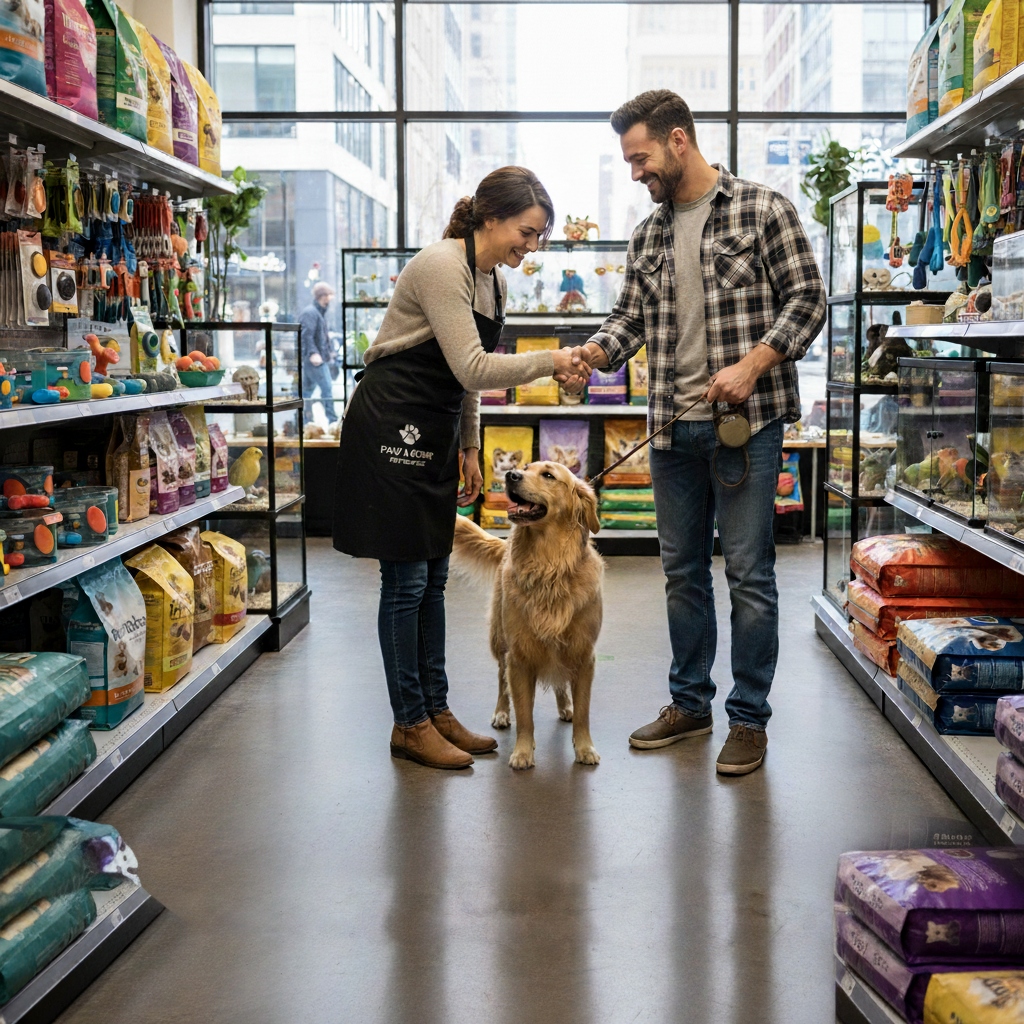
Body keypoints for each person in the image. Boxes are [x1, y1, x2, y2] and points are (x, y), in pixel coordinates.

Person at [575, 91, 826, 776]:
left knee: (749, 575)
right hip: (669, 432)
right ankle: (690, 703)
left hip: (747, 426)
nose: (635, 173)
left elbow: (810, 299)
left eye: (640, 157)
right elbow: (628, 320)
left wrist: (752, 363)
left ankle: (748, 721)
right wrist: (591, 354)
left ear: (678, 140)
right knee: (681, 574)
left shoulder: (762, 209)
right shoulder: (648, 233)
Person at [332, 166, 592, 771]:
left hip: (437, 429)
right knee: (405, 583)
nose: (530, 247)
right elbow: (476, 367)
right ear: (490, 217)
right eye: (526, 233)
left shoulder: (490, 281)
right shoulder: (441, 265)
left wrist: (470, 445)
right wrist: (549, 360)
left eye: (539, 238)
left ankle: (437, 709)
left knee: (435, 578)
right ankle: (409, 722)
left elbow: (464, 377)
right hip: (392, 425)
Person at [299, 282, 338, 426]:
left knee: (307, 392)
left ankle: (303, 421)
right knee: (326, 389)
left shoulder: (317, 312)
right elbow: (306, 335)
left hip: (316, 358)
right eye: (329, 295)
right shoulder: (311, 312)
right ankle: (332, 421)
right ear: (323, 296)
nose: (330, 299)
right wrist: (313, 353)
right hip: (315, 360)